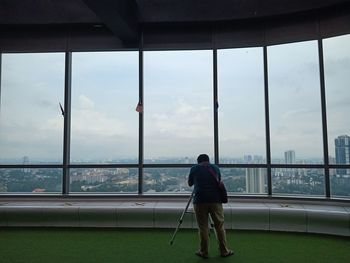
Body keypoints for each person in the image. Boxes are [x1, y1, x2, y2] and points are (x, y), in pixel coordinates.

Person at [188, 154, 234, 259]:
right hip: (215, 200)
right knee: (219, 226)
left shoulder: (194, 168)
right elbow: (218, 181)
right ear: (208, 160)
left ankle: (204, 252)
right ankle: (224, 251)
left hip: (200, 200)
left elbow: (190, 183)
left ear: (198, 161)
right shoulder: (215, 168)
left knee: (203, 227)